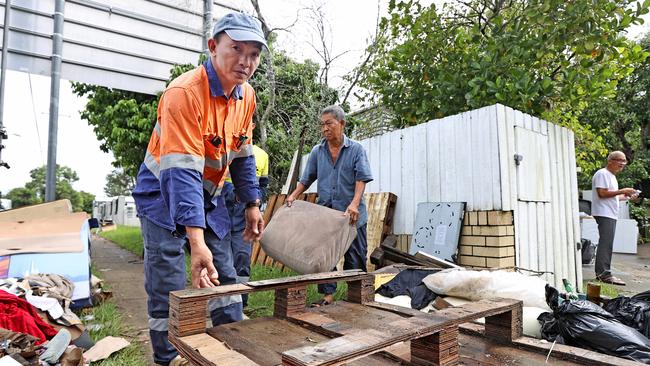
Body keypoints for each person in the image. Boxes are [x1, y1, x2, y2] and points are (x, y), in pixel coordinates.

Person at [131, 12, 267, 366]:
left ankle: (235, 350)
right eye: (236, 49)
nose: (245, 61)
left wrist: (252, 203)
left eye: (253, 54)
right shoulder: (183, 94)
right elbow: (180, 174)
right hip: (162, 196)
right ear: (212, 47)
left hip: (208, 195)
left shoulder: (246, 96)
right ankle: (168, 357)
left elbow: (242, 154)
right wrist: (196, 241)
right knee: (170, 284)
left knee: (225, 276)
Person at [286, 105, 373, 306]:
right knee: (325, 257)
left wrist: (354, 204)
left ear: (341, 124)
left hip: (352, 216)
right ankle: (327, 295)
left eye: (329, 124)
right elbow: (306, 178)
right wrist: (293, 195)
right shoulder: (318, 151)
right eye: (322, 125)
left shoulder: (356, 149)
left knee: (356, 256)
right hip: (326, 215)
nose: (325, 129)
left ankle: (358, 298)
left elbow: (362, 179)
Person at [223, 144, 269, 307]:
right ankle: (222, 300)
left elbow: (263, 186)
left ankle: (241, 302)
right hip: (222, 210)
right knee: (222, 259)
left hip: (245, 213)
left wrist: (255, 201)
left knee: (242, 257)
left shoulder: (262, 155)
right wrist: (233, 195)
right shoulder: (225, 147)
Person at [591, 151, 639, 286]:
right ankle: (603, 274)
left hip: (609, 212)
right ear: (610, 161)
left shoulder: (611, 176)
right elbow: (602, 193)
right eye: (619, 160)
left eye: (624, 161)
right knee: (606, 243)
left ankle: (603, 273)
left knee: (607, 243)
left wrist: (627, 196)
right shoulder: (602, 174)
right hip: (604, 213)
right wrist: (623, 190)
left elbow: (613, 196)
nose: (622, 164)